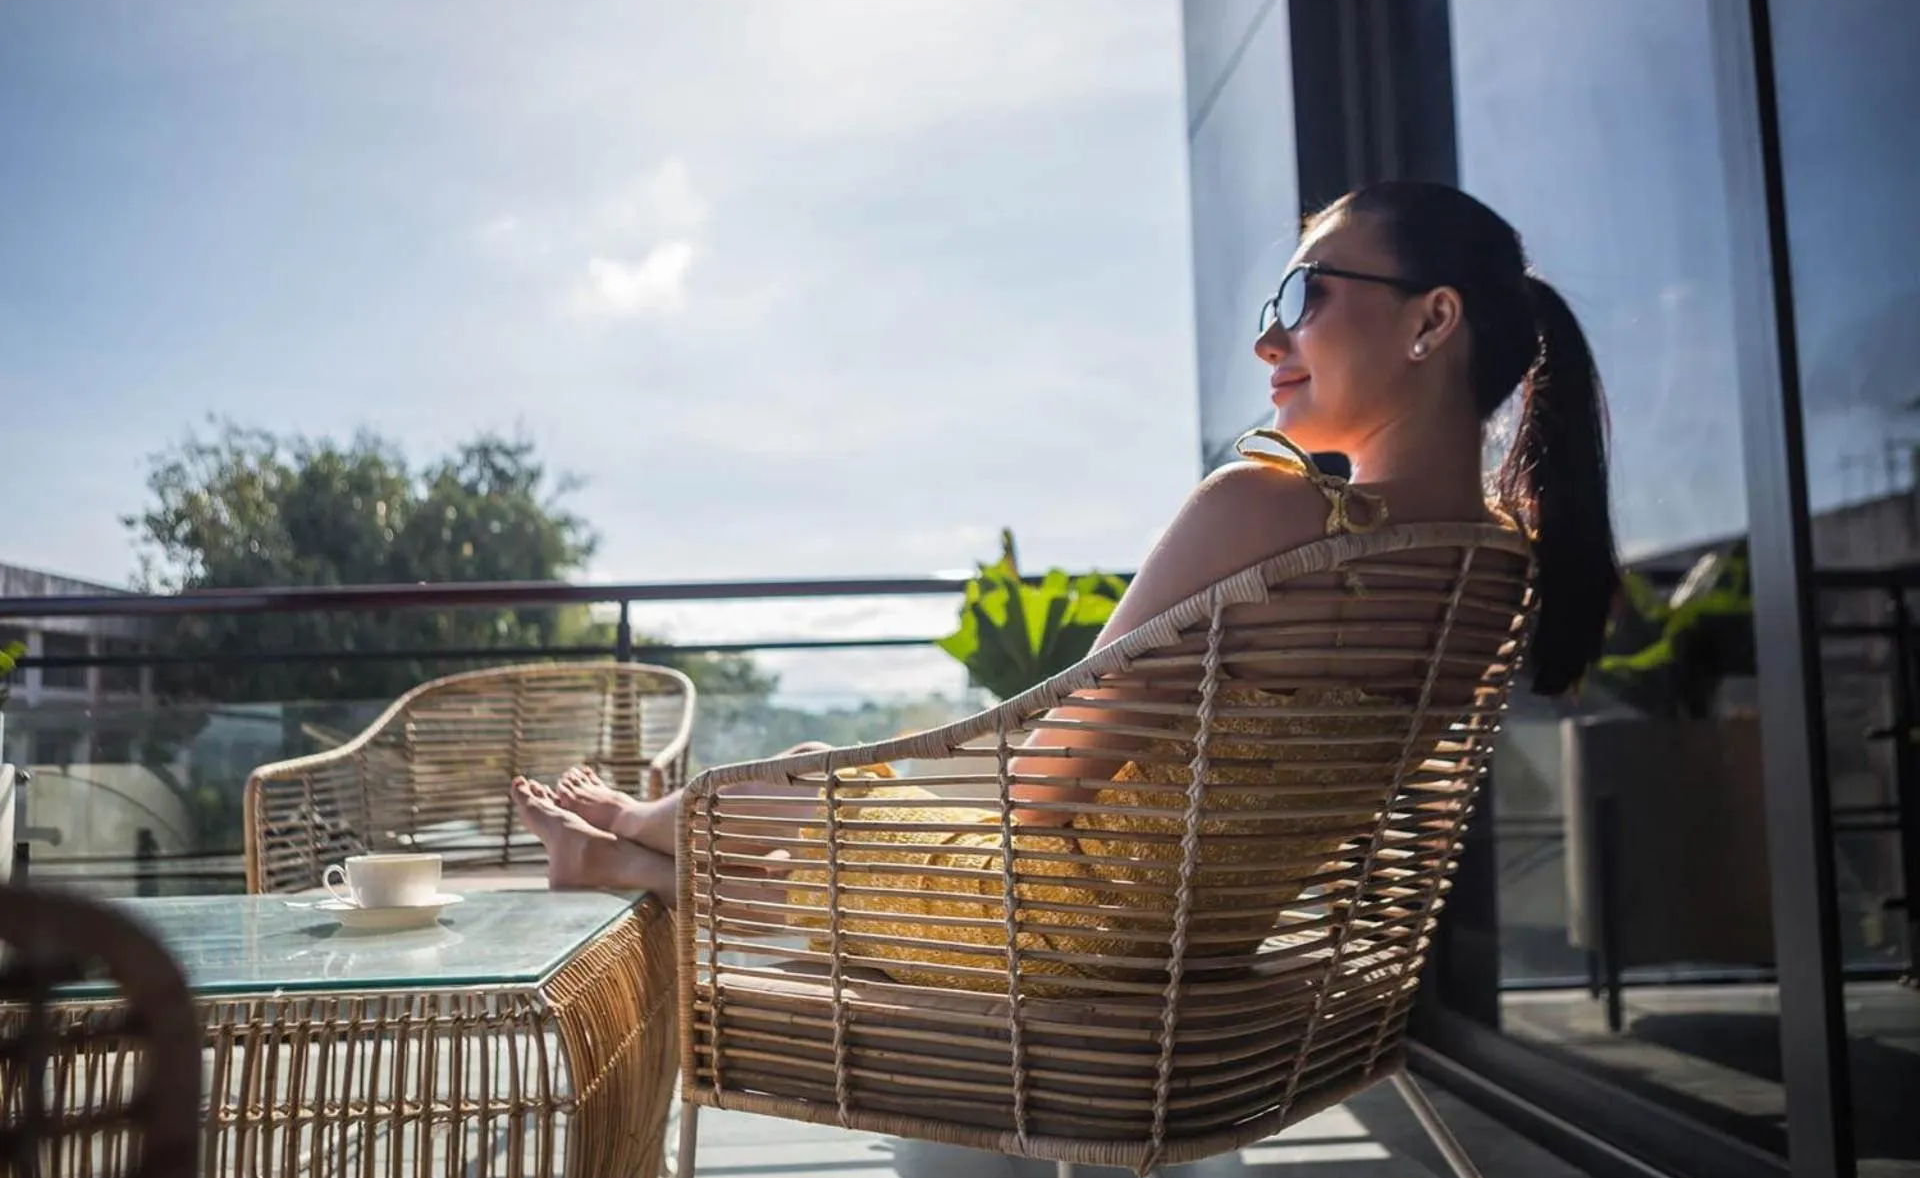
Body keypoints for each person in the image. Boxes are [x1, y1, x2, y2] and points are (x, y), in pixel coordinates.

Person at [510, 180, 1620, 984]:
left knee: (809, 778)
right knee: (830, 801)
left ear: (1433, 318)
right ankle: (624, 844)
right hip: (1211, 936)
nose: (1269, 337)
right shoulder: (1498, 568)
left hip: (1065, 937)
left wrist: (895, 781)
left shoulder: (1268, 510)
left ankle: (631, 841)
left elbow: (1041, 782)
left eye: (1305, 291)